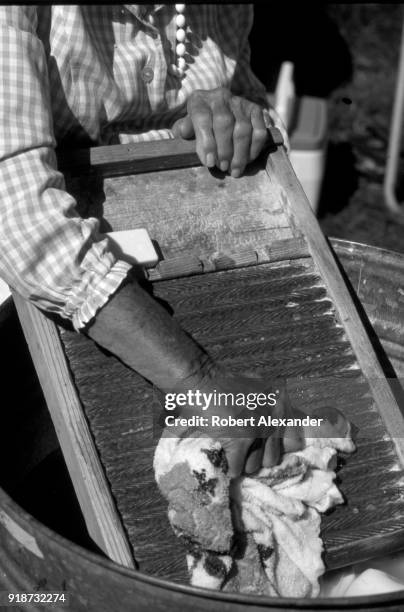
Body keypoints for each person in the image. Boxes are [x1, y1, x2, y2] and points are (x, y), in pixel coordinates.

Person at [0, 4, 326, 477]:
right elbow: (18, 211)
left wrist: (236, 116)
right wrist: (198, 380)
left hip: (192, 259)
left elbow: (244, 98)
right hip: (37, 274)